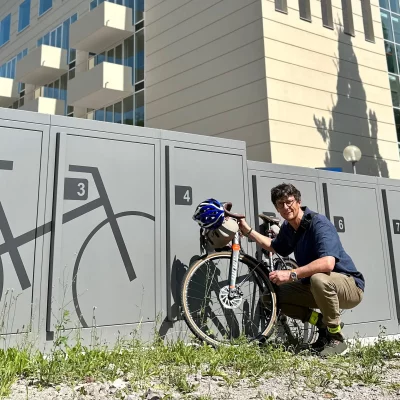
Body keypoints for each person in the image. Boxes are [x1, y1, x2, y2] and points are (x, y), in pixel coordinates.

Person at [238, 183, 365, 356]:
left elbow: (328, 263)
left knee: (318, 278)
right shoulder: (289, 228)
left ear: (298, 201)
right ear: (276, 208)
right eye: (280, 204)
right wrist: (248, 231)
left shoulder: (318, 223)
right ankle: (321, 324)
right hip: (315, 287)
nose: (285, 207)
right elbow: (274, 246)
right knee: (271, 298)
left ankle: (337, 338)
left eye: (289, 201)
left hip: (349, 286)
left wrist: (291, 274)